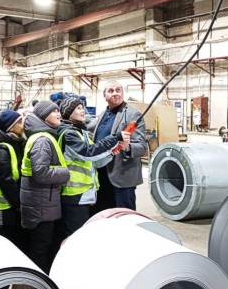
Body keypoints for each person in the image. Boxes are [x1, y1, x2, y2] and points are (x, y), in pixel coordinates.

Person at [56, 97, 130, 239]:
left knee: (82, 232)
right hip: (73, 194)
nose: (83, 111)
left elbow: (94, 162)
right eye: (78, 108)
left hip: (84, 194)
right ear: (68, 113)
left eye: (82, 107)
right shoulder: (68, 134)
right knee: (75, 235)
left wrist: (111, 153)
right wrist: (115, 138)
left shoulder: (81, 133)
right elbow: (89, 152)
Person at [20, 101, 70, 273]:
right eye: (54, 111)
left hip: (41, 201)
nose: (59, 114)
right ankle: (37, 280)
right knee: (40, 248)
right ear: (43, 116)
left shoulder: (42, 136)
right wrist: (65, 173)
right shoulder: (42, 140)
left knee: (40, 245)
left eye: (58, 110)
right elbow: (41, 173)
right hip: (40, 203)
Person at [91, 81, 146, 213]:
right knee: (103, 214)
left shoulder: (133, 114)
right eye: (111, 91)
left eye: (118, 90)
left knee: (123, 216)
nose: (115, 93)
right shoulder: (103, 114)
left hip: (121, 177)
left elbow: (142, 147)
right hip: (101, 174)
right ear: (104, 95)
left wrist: (128, 147)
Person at [0, 110, 27, 250]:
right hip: (1, 207)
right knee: (4, 243)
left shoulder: (16, 143)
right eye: (19, 122)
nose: (23, 125)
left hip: (11, 205)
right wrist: (18, 203)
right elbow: (5, 180)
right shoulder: (2, 150)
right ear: (11, 127)